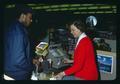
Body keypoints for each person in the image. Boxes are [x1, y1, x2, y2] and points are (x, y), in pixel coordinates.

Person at [4, 4, 34, 80]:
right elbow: (18, 60)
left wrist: (31, 60)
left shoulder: (15, 27)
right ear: (23, 16)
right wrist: (31, 66)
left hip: (13, 72)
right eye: (30, 17)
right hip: (16, 75)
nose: (31, 20)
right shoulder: (18, 32)